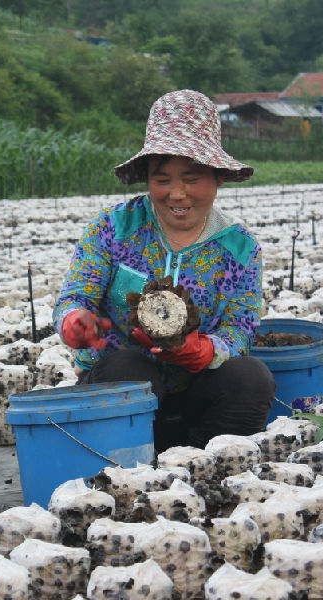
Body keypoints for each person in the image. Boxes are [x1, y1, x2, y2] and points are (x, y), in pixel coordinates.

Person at [53, 89, 275, 451]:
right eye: (162, 179)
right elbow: (77, 295)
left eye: (191, 178)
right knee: (128, 366)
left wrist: (205, 350)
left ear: (217, 177)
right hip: (122, 395)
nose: (176, 193)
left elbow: (241, 328)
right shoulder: (114, 227)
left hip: (196, 395)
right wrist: (75, 321)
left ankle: (203, 462)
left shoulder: (239, 247)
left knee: (251, 378)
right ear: (147, 178)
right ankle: (128, 464)